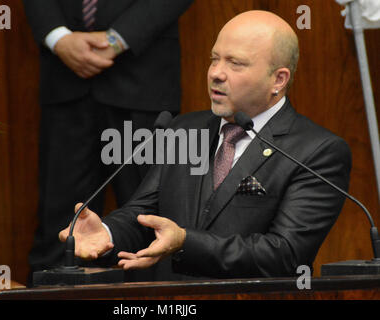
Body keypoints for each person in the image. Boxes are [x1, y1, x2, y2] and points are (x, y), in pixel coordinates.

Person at [59, 10, 352, 281]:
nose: (216, 73)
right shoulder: (183, 129)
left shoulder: (317, 151)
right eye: (214, 59)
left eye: (235, 63)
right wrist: (107, 232)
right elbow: (144, 213)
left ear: (278, 79)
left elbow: (286, 255)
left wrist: (186, 242)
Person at [21, 0, 195, 277]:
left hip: (143, 79)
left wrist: (119, 37)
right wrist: (58, 37)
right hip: (65, 81)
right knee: (59, 230)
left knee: (149, 226)